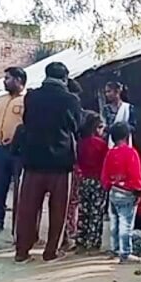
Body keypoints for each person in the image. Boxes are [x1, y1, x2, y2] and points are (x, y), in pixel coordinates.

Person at [14, 62, 82, 263]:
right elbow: (75, 126)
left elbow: (26, 121)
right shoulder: (71, 99)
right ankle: (51, 251)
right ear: (65, 78)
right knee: (58, 209)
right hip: (60, 161)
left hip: (33, 159)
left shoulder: (32, 96)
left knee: (27, 208)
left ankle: (22, 251)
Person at [0, 67, 27, 234]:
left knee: (20, 187)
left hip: (19, 150)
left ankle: (20, 222)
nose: (4, 81)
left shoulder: (28, 100)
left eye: (8, 78)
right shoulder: (0, 100)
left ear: (18, 80)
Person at [101, 122, 141, 263]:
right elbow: (135, 173)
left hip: (113, 192)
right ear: (127, 136)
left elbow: (104, 175)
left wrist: (109, 186)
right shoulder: (131, 153)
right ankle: (125, 253)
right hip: (127, 192)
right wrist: (138, 191)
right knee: (126, 224)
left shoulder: (110, 153)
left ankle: (115, 249)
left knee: (114, 223)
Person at [75, 111, 109, 253]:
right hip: (98, 181)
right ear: (96, 128)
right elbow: (105, 163)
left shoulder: (80, 144)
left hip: (84, 180)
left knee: (83, 211)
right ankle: (93, 243)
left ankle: (81, 241)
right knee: (96, 212)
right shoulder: (101, 145)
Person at [62, 78, 85, 251]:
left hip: (64, 162)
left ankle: (65, 233)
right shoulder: (72, 113)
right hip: (70, 163)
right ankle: (69, 231)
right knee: (71, 201)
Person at [102, 81, 137, 147]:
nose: (107, 94)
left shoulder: (128, 108)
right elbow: (104, 126)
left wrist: (122, 128)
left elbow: (133, 126)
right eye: (106, 92)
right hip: (110, 143)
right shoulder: (106, 109)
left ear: (117, 91)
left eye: (109, 91)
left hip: (126, 142)